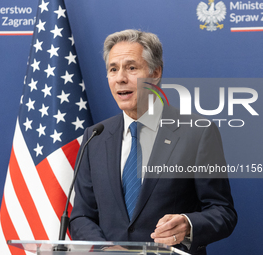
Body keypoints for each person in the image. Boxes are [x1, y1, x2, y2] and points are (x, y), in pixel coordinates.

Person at [69, 29, 237, 255]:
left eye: (131, 67)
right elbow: (81, 216)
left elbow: (223, 211)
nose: (120, 78)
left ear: (155, 72)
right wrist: (106, 249)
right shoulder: (95, 137)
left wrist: (188, 224)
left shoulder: (197, 133)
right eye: (113, 69)